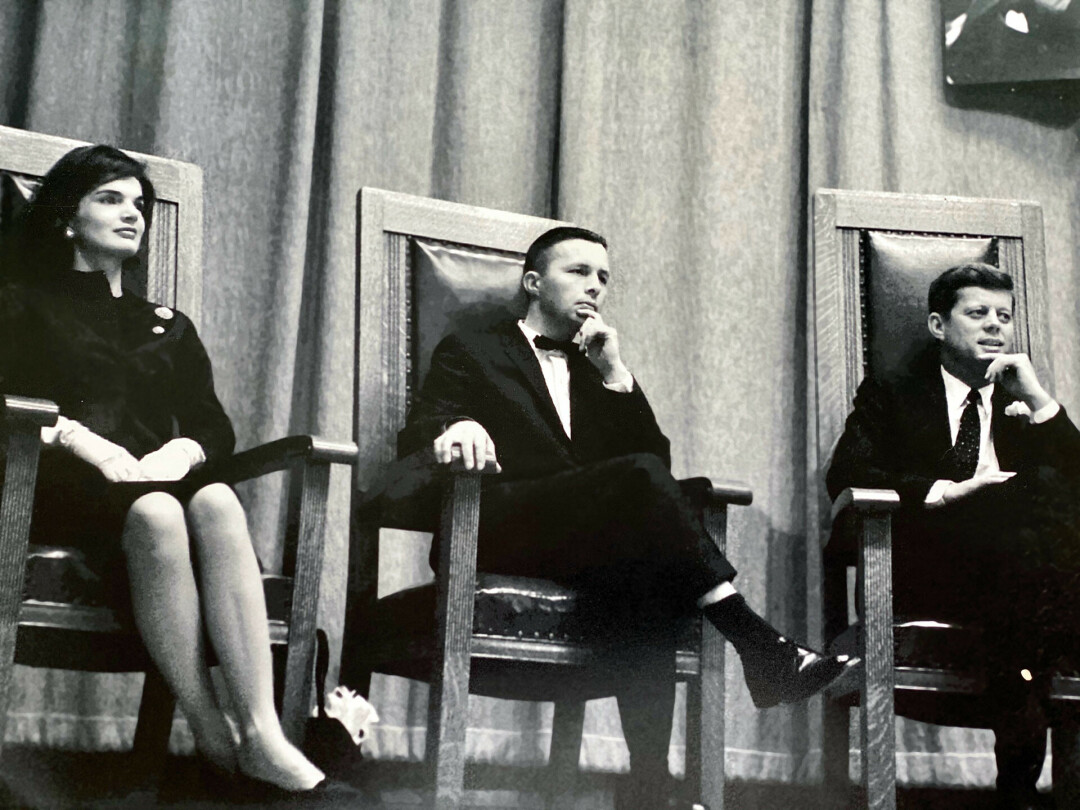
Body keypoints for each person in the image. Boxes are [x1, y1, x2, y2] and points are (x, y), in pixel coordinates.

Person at [395, 226, 857, 810]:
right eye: (579, 272)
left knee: (652, 582)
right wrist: (456, 426)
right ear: (534, 283)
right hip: (495, 527)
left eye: (604, 277)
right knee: (643, 509)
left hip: (578, 541)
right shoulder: (475, 348)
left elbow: (656, 473)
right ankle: (756, 642)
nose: (595, 287)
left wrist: (615, 375)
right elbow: (420, 429)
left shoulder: (596, 370)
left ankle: (647, 790)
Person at [0, 145, 352, 803]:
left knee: (214, 499)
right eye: (110, 198)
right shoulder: (19, 303)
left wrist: (180, 453)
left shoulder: (165, 324)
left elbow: (213, 426)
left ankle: (262, 733)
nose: (132, 213)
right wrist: (81, 440)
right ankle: (211, 734)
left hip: (148, 486)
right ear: (65, 218)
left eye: (139, 203)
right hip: (48, 486)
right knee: (161, 511)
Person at [827, 262, 1080, 810]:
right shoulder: (892, 393)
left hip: (1017, 582)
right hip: (924, 572)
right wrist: (947, 491)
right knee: (1028, 527)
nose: (995, 326)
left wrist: (1040, 401)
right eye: (978, 313)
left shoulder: (1020, 406)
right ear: (939, 325)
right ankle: (1018, 790)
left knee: (1040, 525)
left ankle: (1019, 782)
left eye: (1005, 316)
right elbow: (847, 476)